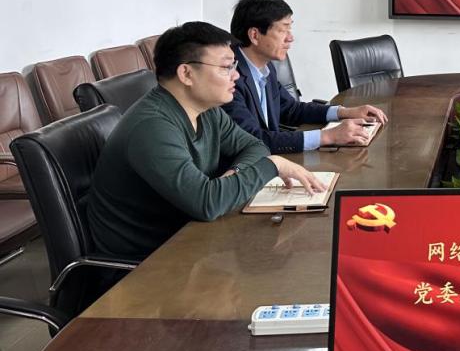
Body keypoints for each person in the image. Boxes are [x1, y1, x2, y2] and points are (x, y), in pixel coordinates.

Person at [88, 22, 326, 262]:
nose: (236, 75)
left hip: (195, 240)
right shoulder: (152, 127)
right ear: (186, 74)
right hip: (150, 263)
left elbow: (255, 146)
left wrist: (236, 172)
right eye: (226, 67)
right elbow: (207, 203)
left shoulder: (207, 109)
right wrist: (273, 165)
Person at [224, 0, 387, 153]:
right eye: (283, 30)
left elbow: (290, 109)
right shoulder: (228, 77)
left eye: (290, 29)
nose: (290, 38)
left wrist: (344, 112)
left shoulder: (266, 67)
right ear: (254, 35)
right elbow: (253, 140)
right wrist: (328, 136)